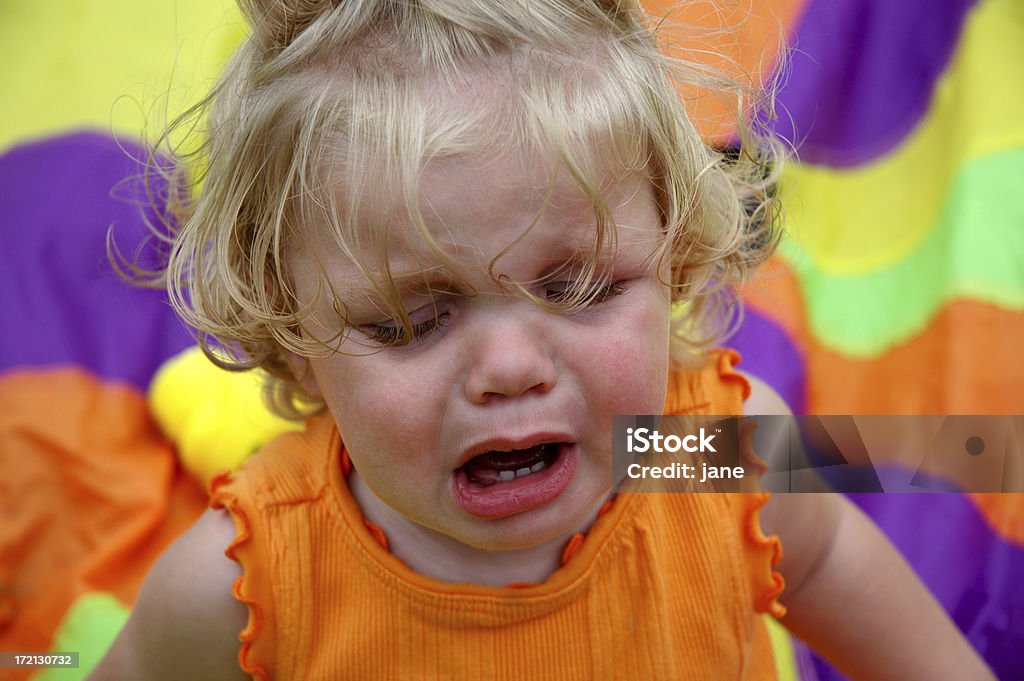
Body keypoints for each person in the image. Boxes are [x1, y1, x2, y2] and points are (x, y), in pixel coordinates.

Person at [90, 0, 994, 679]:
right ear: (292, 342)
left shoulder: (713, 454)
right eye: (411, 320)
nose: (512, 367)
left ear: (676, 261)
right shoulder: (246, 584)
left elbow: (831, 550)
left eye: (583, 287)